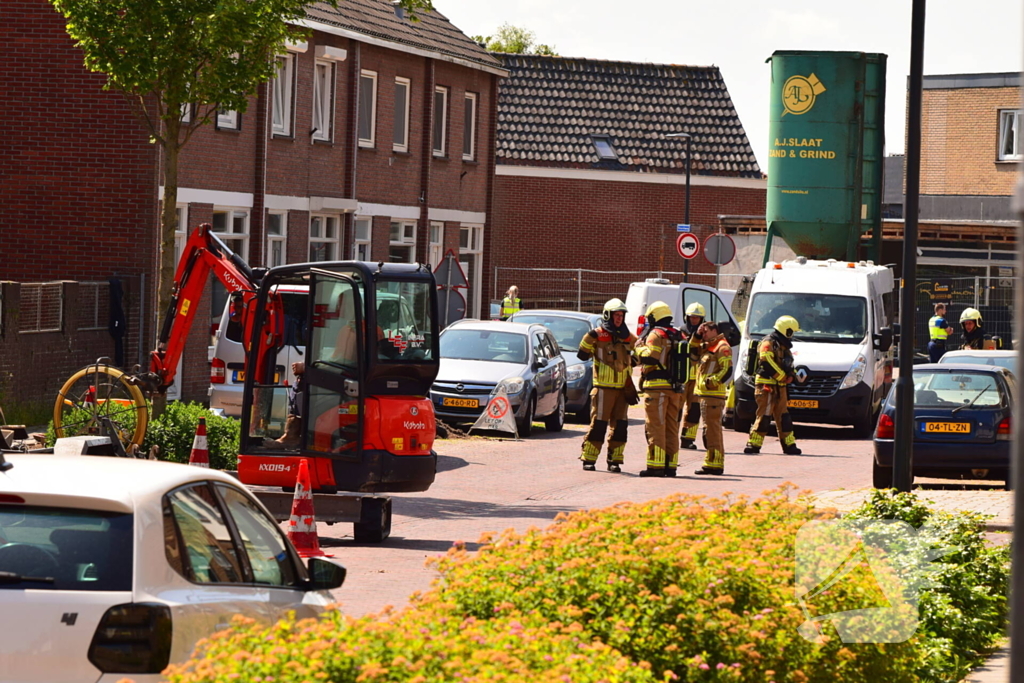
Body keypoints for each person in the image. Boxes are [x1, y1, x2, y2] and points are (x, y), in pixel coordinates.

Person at [577, 298, 637, 473]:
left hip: (623, 390)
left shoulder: (628, 336)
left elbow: (640, 351)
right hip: (603, 388)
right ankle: (589, 458)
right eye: (616, 315)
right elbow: (582, 354)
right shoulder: (598, 334)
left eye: (621, 315)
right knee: (599, 425)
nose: (619, 318)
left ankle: (615, 460)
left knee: (620, 426)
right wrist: (590, 337)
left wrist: (633, 360)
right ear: (607, 315)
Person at [636, 301, 685, 477]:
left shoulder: (655, 334)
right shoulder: (679, 334)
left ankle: (655, 467)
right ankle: (670, 466)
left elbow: (651, 358)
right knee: (672, 428)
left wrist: (639, 349)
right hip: (675, 390)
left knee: (655, 427)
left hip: (656, 389)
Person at [744, 315, 802, 456]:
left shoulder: (783, 345)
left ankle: (789, 445)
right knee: (764, 415)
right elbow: (766, 362)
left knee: (784, 416)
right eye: (792, 332)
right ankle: (754, 444)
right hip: (766, 386)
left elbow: (788, 364)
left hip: (780, 386)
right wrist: (782, 377)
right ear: (786, 330)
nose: (792, 336)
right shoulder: (768, 342)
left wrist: (792, 375)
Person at [693, 321, 732, 475]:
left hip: (713, 396)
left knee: (713, 431)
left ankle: (715, 464)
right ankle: (711, 462)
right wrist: (697, 334)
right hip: (706, 395)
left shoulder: (722, 347)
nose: (705, 334)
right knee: (708, 431)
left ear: (715, 330)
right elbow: (692, 350)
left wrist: (711, 382)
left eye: (706, 331)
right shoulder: (708, 345)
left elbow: (727, 370)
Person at [679, 302, 705, 450]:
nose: (694, 320)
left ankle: (688, 439)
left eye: (697, 318)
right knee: (676, 409)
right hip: (682, 377)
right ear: (687, 317)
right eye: (692, 317)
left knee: (694, 410)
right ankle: (671, 436)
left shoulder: (706, 335)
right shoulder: (680, 332)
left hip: (697, 379)